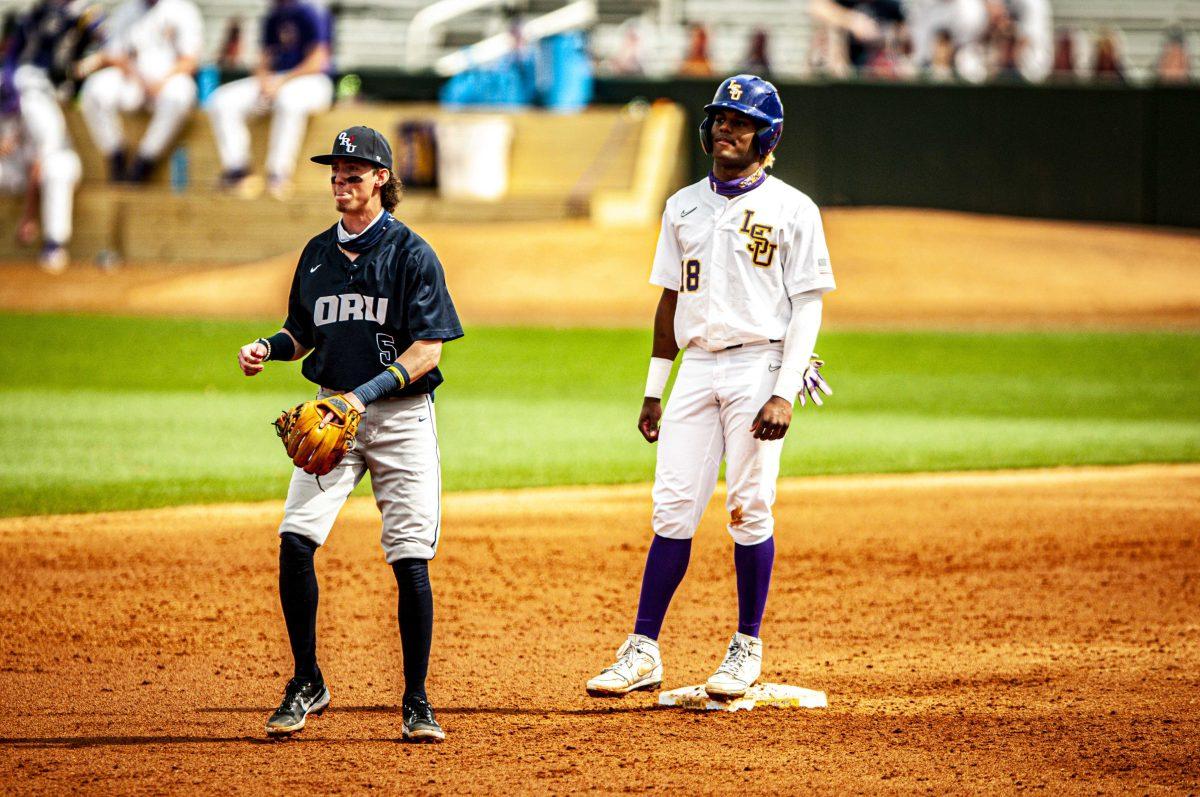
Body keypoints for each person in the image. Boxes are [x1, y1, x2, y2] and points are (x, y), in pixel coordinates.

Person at [586, 75, 836, 700]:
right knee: (672, 509)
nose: (726, 129)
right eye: (721, 118)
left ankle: (746, 645)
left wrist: (783, 389)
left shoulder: (793, 209)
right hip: (696, 369)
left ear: (767, 138)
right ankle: (643, 650)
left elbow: (807, 308)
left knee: (749, 506)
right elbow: (669, 300)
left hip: (760, 365)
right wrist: (653, 389)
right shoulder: (682, 206)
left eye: (741, 122)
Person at [236, 126, 463, 742]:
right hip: (331, 419)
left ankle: (416, 700)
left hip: (399, 420)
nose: (342, 180)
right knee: (295, 538)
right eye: (336, 171)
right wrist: (267, 347)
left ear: (381, 179)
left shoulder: (412, 253)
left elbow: (428, 349)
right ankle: (306, 678)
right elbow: (301, 333)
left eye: (354, 171)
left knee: (410, 558)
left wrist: (360, 397)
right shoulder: (315, 254)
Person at [0, 0, 95, 271]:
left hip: (52, 164)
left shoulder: (36, 104)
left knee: (56, 170)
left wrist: (28, 218)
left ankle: (54, 244)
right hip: (20, 167)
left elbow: (39, 167)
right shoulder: (9, 98)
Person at [207, 0, 333, 200]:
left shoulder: (311, 10)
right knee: (221, 100)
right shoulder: (273, 15)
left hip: (313, 81)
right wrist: (264, 80)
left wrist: (282, 81)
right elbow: (264, 59)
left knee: (290, 100)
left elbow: (318, 61)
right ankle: (238, 169)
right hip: (277, 81)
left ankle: (278, 174)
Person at [79, 0, 202, 183]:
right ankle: (116, 154)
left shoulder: (183, 10)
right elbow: (115, 55)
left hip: (167, 81)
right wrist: (140, 79)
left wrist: (160, 82)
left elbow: (190, 61)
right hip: (133, 81)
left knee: (181, 92)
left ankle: (144, 161)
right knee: (94, 89)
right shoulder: (127, 9)